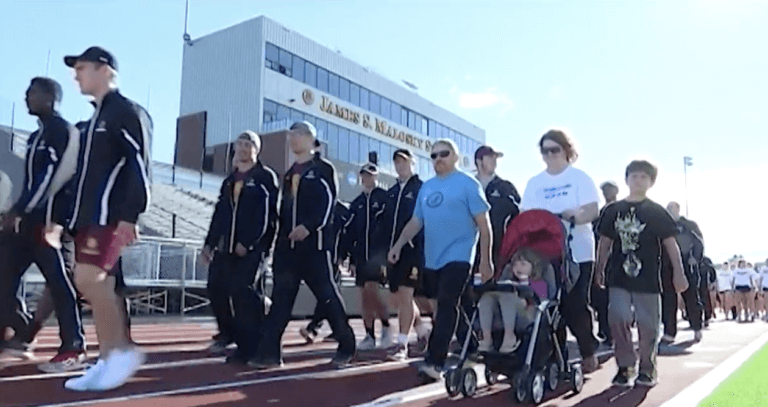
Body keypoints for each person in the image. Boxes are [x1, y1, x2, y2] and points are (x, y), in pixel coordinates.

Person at [62, 47, 152, 391]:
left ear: (105, 70)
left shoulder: (125, 112)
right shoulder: (94, 120)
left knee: (89, 278)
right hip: (87, 217)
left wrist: (130, 215)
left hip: (110, 217)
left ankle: (121, 354)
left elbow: (139, 164)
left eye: (82, 68)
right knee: (92, 282)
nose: (76, 75)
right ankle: (106, 359)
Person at [250, 121, 355, 369]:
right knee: (281, 301)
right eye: (290, 134)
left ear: (310, 138)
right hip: (288, 250)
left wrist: (309, 226)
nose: (292, 138)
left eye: (297, 134)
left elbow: (328, 203)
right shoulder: (288, 174)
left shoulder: (322, 169)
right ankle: (269, 353)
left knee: (327, 296)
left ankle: (347, 345)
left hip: (315, 248)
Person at [0, 77, 86, 373]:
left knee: (60, 285)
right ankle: (16, 332)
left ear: (49, 97)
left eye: (31, 93)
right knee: (4, 275)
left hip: (49, 225)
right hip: (28, 223)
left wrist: (19, 208)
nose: (25, 97)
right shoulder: (38, 135)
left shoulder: (60, 131)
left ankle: (73, 346)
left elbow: (49, 179)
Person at [388, 138, 493, 380]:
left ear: (456, 157)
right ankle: (473, 347)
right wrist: (398, 245)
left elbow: (484, 226)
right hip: (432, 259)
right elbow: (416, 221)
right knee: (446, 306)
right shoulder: (427, 187)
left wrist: (485, 261)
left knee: (445, 305)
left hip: (460, 256)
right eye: (433, 155)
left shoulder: (468, 184)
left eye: (443, 154)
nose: (438, 159)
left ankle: (434, 362)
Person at [594, 159, 688, 387]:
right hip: (618, 275)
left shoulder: (656, 212)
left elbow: (670, 244)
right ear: (626, 180)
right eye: (634, 176)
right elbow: (604, 242)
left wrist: (679, 272)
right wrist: (599, 268)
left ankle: (647, 367)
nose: (638, 180)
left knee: (648, 326)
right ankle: (625, 366)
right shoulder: (612, 210)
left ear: (651, 182)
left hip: (647, 277)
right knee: (618, 317)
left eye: (643, 177)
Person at [520, 129, 600, 372]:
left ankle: (588, 350)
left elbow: (592, 210)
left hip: (578, 253)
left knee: (574, 305)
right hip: (545, 255)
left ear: (567, 151)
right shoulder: (535, 183)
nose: (550, 155)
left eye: (555, 150)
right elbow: (525, 216)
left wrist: (574, 215)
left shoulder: (579, 178)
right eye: (545, 151)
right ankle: (557, 356)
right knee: (546, 306)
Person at [200, 131, 279, 364]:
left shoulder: (265, 177)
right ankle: (228, 332)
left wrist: (251, 243)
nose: (244, 148)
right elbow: (220, 214)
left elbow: (267, 216)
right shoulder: (230, 180)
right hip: (226, 248)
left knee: (243, 291)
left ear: (257, 149)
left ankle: (250, 345)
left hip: (253, 249)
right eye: (241, 144)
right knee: (215, 287)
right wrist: (209, 244)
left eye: (249, 144)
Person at [381, 148, 429, 361]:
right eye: (397, 162)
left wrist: (413, 243)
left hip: (412, 252)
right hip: (393, 252)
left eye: (404, 161)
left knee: (406, 294)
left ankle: (402, 344)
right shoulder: (391, 192)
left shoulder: (421, 188)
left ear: (413, 163)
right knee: (399, 298)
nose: (400, 165)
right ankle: (421, 332)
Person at [348, 162, 392, 350]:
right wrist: (350, 258)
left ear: (376, 176)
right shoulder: (357, 203)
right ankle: (369, 335)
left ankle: (386, 325)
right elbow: (350, 232)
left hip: (378, 256)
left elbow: (388, 226)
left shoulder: (383, 198)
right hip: (361, 257)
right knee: (364, 298)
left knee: (371, 292)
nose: (367, 178)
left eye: (370, 175)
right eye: (364, 175)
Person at [478, 248, 552, 353]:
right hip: (505, 315)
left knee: (508, 296)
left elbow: (542, 302)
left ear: (534, 265)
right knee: (487, 297)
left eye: (523, 264)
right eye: (515, 265)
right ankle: (486, 338)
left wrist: (526, 292)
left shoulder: (539, 283)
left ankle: (510, 337)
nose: (517, 267)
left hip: (529, 315)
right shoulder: (509, 280)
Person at [300, 200, 352, 343]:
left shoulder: (342, 211)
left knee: (328, 294)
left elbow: (347, 235)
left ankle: (315, 328)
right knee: (328, 294)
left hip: (333, 257)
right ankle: (337, 330)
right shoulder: (317, 206)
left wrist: (343, 255)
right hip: (320, 255)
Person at [661, 202, 704, 343]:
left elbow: (699, 242)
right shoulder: (663, 225)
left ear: (678, 210)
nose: (671, 211)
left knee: (691, 298)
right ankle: (669, 332)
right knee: (668, 300)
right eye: (668, 209)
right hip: (667, 267)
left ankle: (697, 327)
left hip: (687, 266)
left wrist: (695, 258)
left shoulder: (688, 225)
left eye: (673, 209)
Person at [473, 145, 520, 270]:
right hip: (469, 251)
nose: (494, 161)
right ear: (479, 161)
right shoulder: (467, 185)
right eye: (490, 157)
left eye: (495, 158)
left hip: (498, 252)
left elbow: (518, 217)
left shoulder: (505, 187)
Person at [592, 180, 619, 346]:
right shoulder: (600, 214)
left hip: (619, 259)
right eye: (604, 191)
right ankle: (606, 331)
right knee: (601, 298)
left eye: (609, 190)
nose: (606, 193)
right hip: (603, 259)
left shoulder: (623, 210)